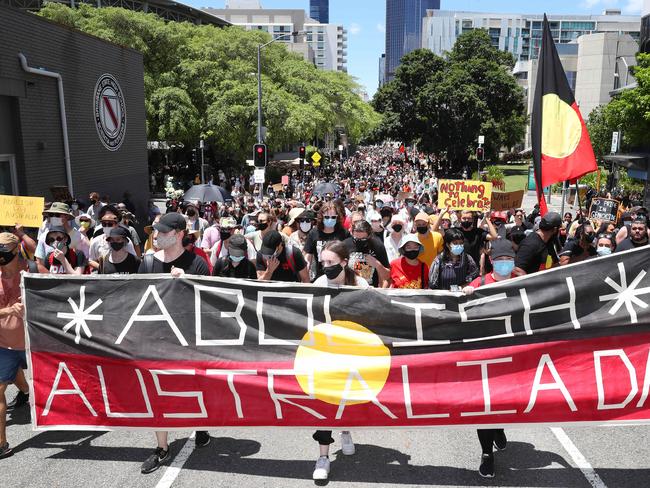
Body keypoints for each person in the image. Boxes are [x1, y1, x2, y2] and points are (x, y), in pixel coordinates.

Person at [138, 212, 210, 475]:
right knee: (157, 393)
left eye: (163, 232)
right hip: (155, 341)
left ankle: (201, 424)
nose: (156, 236)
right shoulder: (146, 263)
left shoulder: (197, 264)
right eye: (155, 231)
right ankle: (161, 447)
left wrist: (190, 283)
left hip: (188, 342)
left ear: (179, 235)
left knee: (193, 388)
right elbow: (138, 301)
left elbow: (212, 304)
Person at [462, 239, 519, 478]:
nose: (505, 264)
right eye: (500, 260)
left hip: (513, 355)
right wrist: (466, 293)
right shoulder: (481, 282)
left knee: (504, 403)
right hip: (484, 356)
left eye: (509, 260)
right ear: (492, 261)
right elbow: (461, 307)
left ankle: (498, 428)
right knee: (484, 406)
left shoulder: (522, 283)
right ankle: (487, 453)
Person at [311, 240, 366, 481]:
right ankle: (323, 456)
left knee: (347, 398)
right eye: (323, 262)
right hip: (325, 354)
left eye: (331, 262)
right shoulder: (319, 284)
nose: (325, 267)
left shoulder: (360, 284)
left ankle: (345, 430)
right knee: (325, 404)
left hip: (353, 354)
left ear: (344, 262)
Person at [0, 233, 30, 460]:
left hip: (33, 344)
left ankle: (27, 392)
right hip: (4, 345)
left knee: (21, 379)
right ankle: (2, 444)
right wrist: (8, 311)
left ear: (15, 251)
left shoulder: (31, 273)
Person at [303, 202, 350, 278]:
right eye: (327, 217)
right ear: (322, 217)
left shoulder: (344, 233)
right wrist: (305, 276)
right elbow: (308, 255)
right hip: (320, 276)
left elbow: (349, 255)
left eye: (333, 217)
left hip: (341, 277)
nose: (330, 219)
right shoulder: (314, 233)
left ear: (337, 218)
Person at [343, 220, 390, 288]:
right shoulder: (345, 245)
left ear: (369, 235)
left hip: (370, 289)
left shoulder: (377, 245)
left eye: (363, 239)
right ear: (352, 233)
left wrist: (377, 264)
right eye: (356, 239)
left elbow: (387, 276)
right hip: (350, 288)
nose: (359, 242)